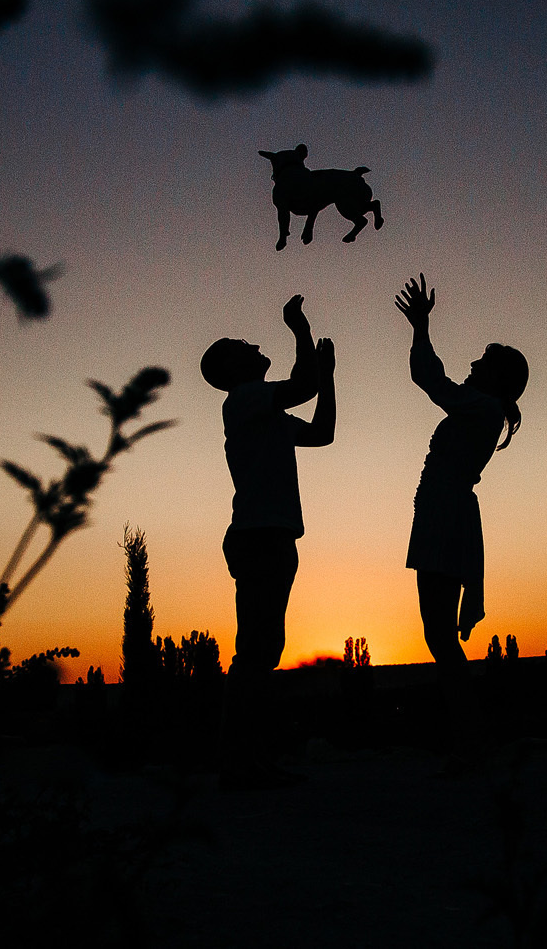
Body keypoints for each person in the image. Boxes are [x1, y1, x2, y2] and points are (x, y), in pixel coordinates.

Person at [200, 294, 335, 785]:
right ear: (232, 369)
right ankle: (236, 759)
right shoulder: (245, 399)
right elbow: (302, 385)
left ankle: (243, 756)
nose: (255, 344)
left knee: (262, 650)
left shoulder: (263, 410)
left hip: (269, 536)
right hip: (260, 537)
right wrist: (298, 328)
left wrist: (328, 376)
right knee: (256, 653)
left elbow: (322, 433)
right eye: (243, 345)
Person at [393, 274, 527, 758]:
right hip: (440, 513)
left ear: (497, 378)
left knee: (440, 636)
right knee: (438, 635)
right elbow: (433, 381)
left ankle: (470, 742)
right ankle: (469, 739)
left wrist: (421, 326)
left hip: (445, 516)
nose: (473, 363)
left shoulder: (484, 407)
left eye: (483, 362)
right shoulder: (485, 407)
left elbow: (430, 380)